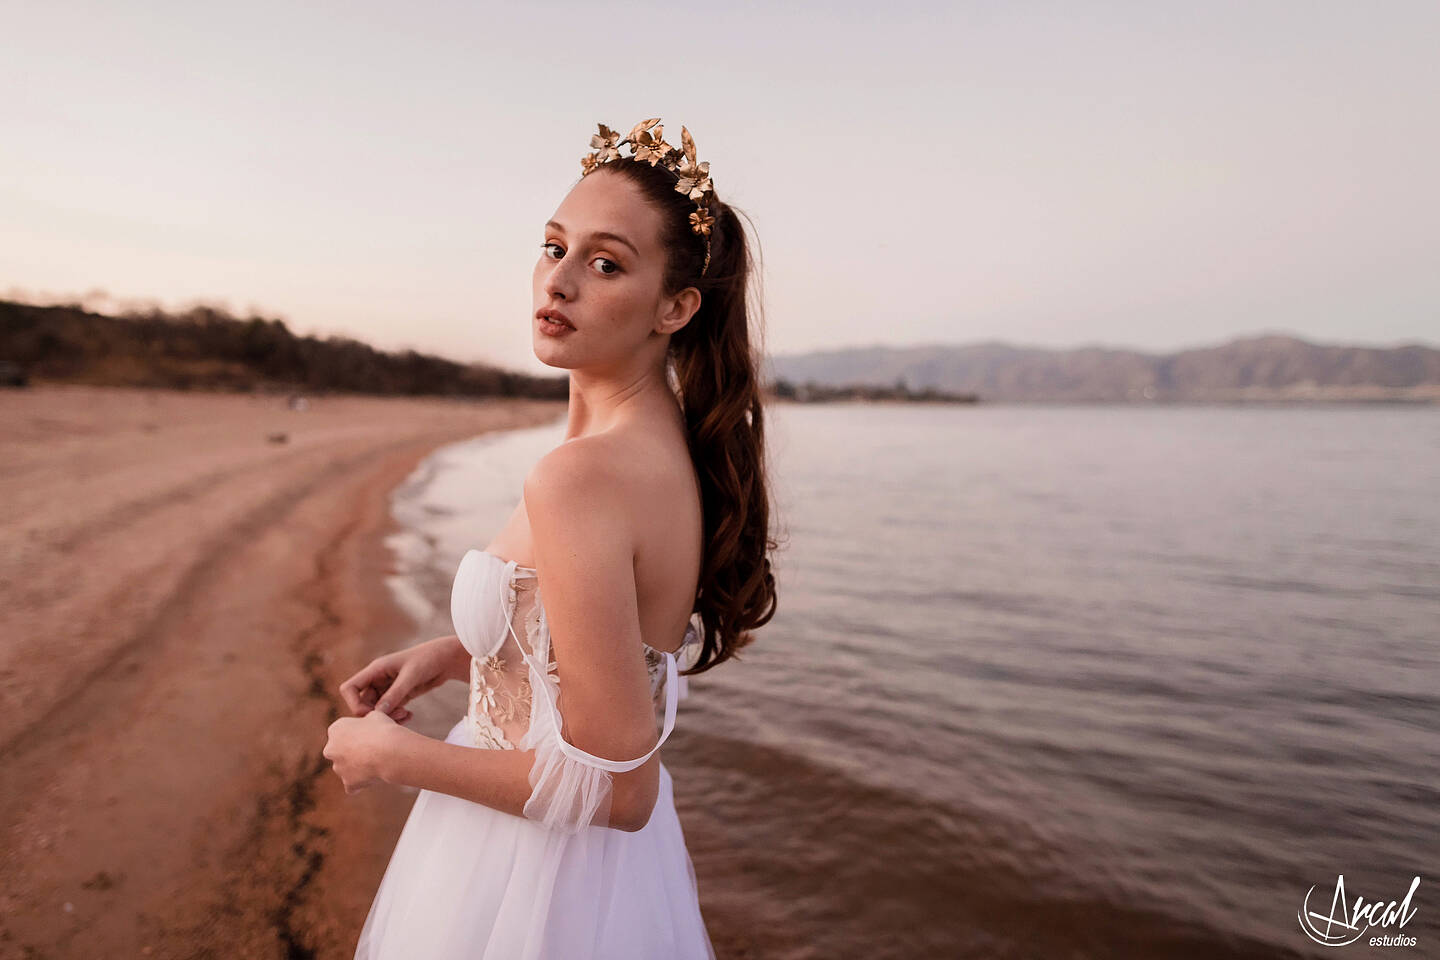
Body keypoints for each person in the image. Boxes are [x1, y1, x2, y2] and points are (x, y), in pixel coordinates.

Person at [322, 118, 780, 960]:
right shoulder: (651, 449)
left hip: (532, 880)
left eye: (605, 262)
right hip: (591, 878)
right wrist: (459, 651)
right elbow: (592, 637)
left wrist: (394, 756)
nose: (559, 280)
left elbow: (619, 789)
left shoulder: (584, 477)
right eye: (553, 246)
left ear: (676, 307)